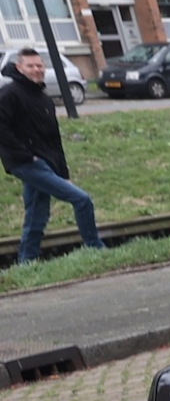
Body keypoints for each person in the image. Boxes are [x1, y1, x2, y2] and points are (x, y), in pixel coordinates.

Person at [1, 48, 105, 266]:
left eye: (39, 65)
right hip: (27, 163)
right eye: (31, 66)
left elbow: (53, 139)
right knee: (82, 200)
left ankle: (26, 262)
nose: (37, 70)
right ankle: (95, 248)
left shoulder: (43, 98)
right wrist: (27, 156)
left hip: (44, 162)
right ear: (19, 68)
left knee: (37, 213)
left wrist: (63, 172)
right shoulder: (9, 94)